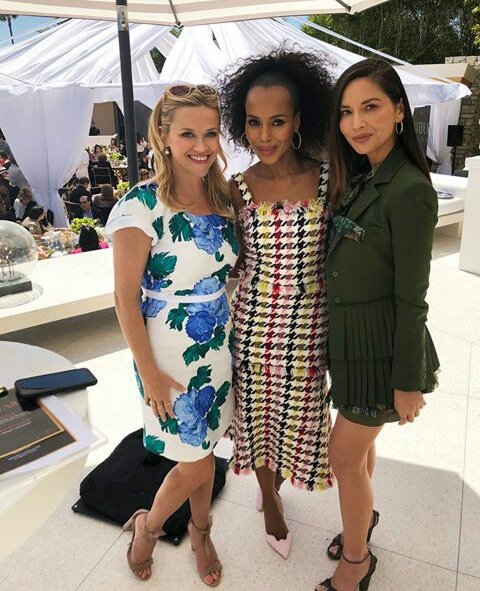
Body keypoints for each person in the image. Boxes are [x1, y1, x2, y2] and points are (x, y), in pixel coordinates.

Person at [105, 83, 238, 586]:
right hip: (166, 351)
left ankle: (201, 531)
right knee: (195, 462)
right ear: (163, 136)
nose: (201, 146)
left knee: (201, 453)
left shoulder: (221, 197)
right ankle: (150, 526)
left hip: (217, 343)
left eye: (210, 133)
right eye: (187, 134)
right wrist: (150, 374)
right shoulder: (140, 206)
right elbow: (124, 298)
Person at [315, 58, 440, 591]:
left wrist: (407, 382)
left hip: (383, 348)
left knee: (342, 456)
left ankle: (357, 562)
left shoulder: (409, 189)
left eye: (370, 107)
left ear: (399, 112)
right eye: (346, 112)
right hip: (351, 343)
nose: (356, 123)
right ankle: (360, 521)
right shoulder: (364, 175)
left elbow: (413, 299)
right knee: (360, 451)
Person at [218, 49, 334, 559]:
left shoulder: (329, 178)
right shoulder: (238, 188)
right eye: (254, 122)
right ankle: (268, 500)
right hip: (254, 328)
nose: (264, 135)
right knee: (258, 420)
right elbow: (233, 260)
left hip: (310, 329)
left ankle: (281, 484)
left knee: (299, 419)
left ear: (299, 121)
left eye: (277, 122)